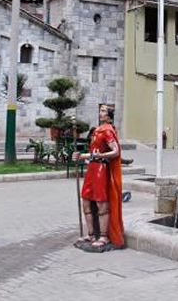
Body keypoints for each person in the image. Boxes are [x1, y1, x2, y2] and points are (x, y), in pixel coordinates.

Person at [72, 105, 125, 252]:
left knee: (102, 204)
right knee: (86, 201)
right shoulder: (97, 130)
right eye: (100, 110)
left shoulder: (108, 130)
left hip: (101, 170)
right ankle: (91, 234)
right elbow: (93, 152)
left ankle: (103, 236)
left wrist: (100, 156)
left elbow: (116, 151)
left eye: (103, 111)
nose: (100, 113)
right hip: (92, 169)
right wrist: (81, 156)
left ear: (109, 115)